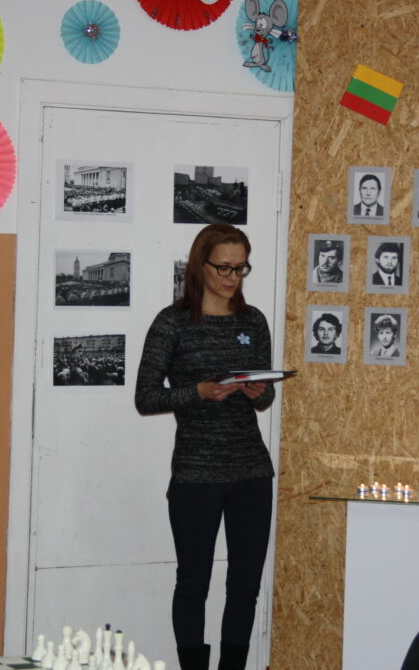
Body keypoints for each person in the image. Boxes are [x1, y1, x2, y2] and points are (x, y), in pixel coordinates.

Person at [135, 223, 275, 670]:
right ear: (201, 266)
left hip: (252, 473)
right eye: (224, 267)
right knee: (194, 583)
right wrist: (198, 391)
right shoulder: (172, 322)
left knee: (245, 586)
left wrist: (258, 391)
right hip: (196, 475)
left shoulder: (253, 322)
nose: (233, 277)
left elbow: (266, 397)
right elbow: (146, 398)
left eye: (241, 268)